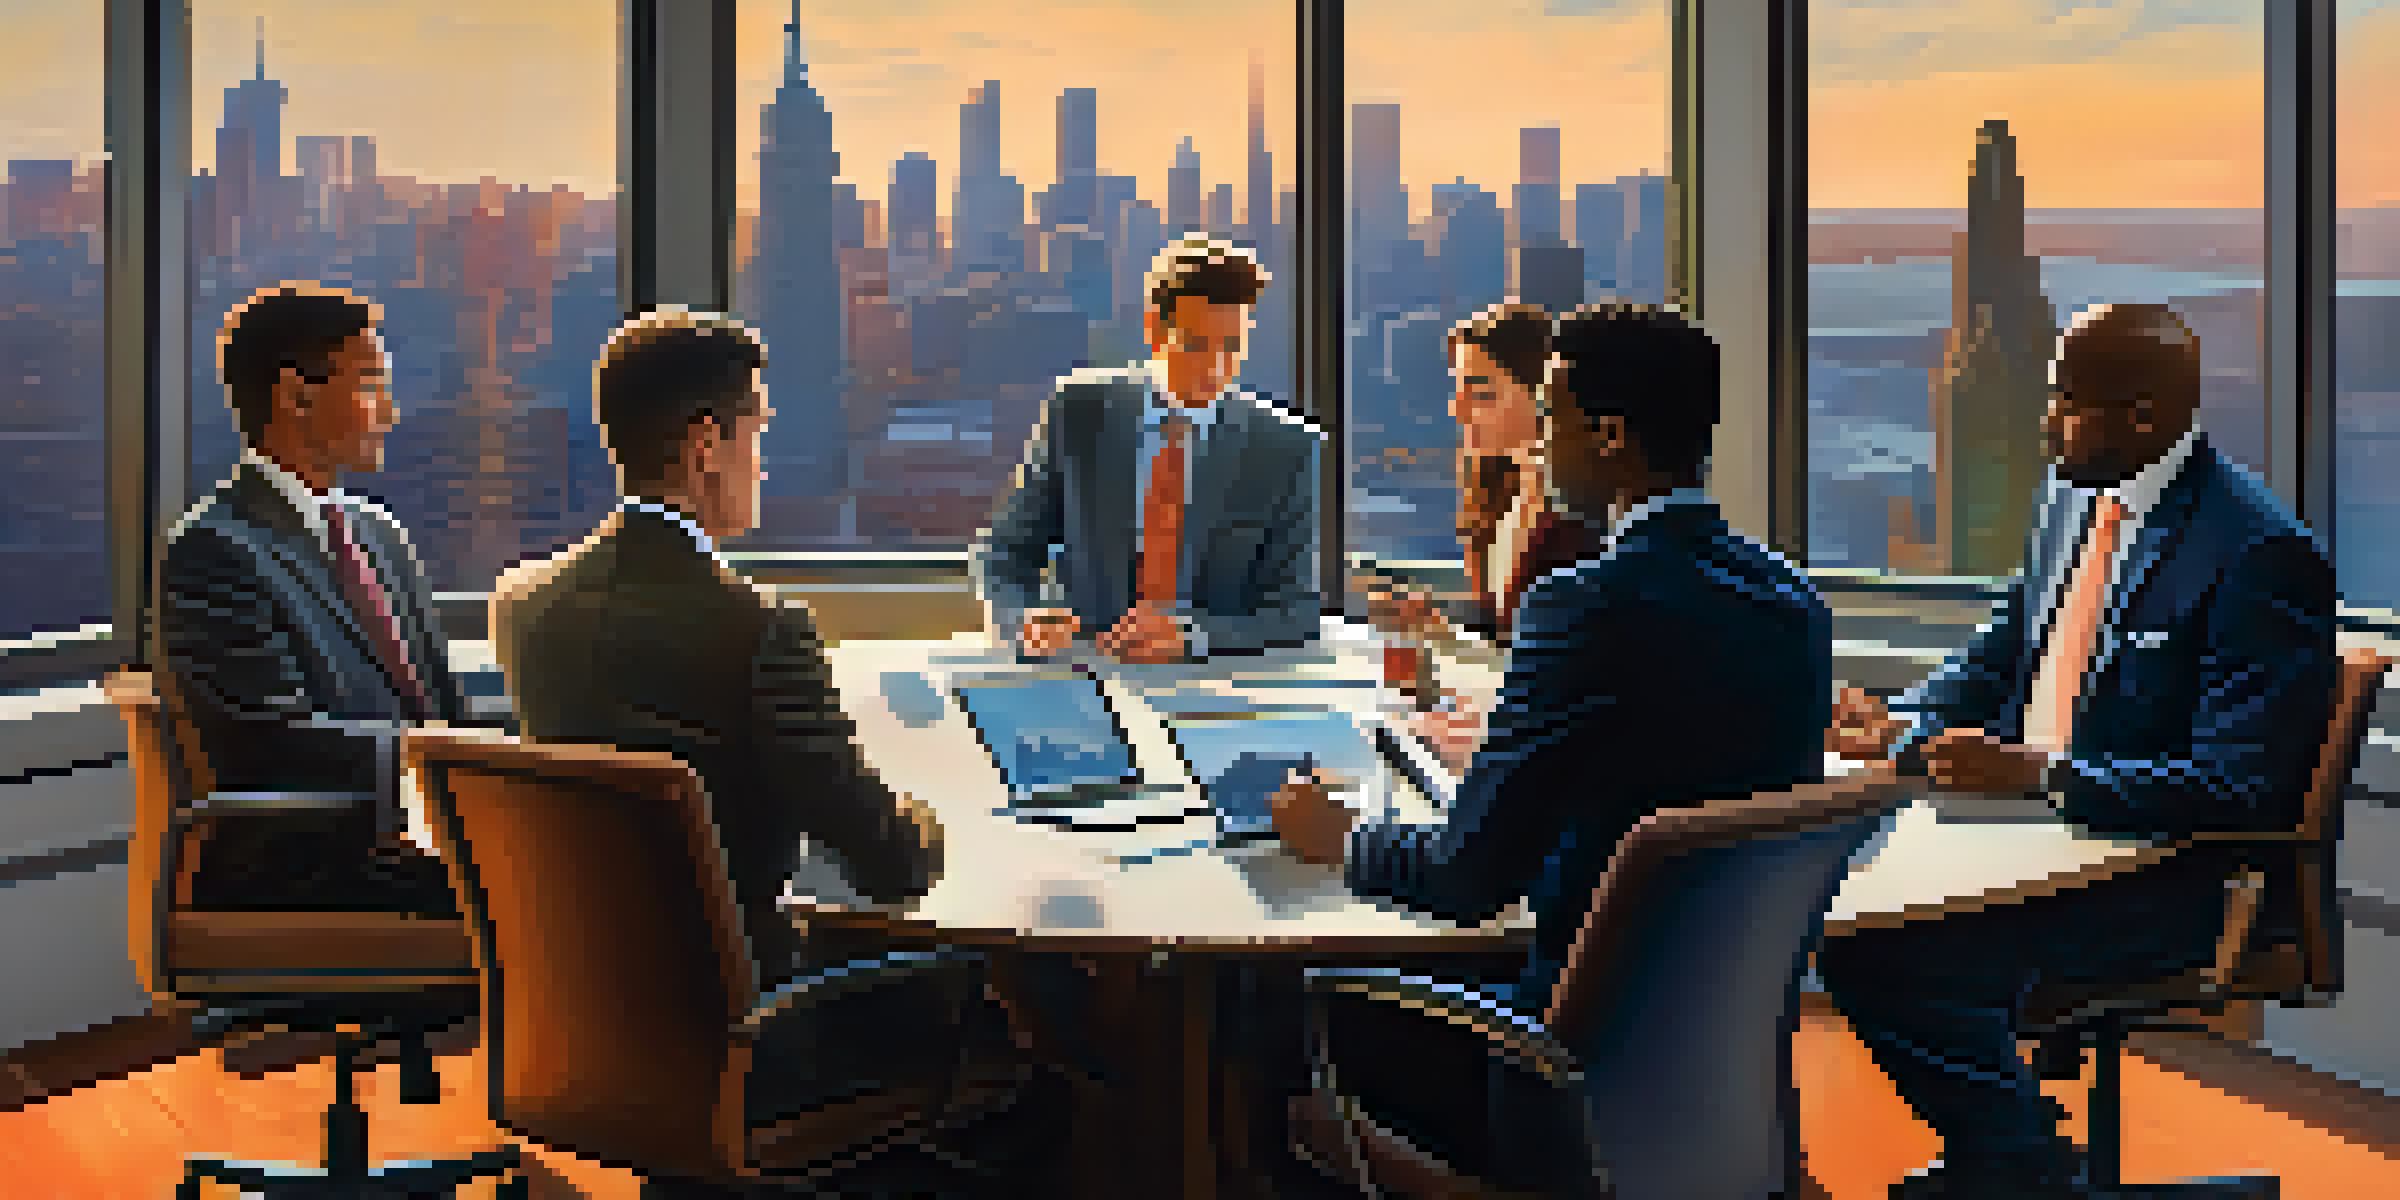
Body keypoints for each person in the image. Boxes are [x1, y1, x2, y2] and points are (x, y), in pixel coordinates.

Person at [1819, 303, 2337, 1199]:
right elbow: (2002, 649)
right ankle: (2015, 1147)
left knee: (1885, 950)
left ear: (2143, 415)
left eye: (2064, 401)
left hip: (2173, 878)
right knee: (1844, 904)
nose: (2045, 419)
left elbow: (2241, 787)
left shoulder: (2258, 556)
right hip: (2049, 843)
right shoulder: (2072, 501)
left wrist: (2049, 776)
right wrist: (1901, 729)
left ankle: (2017, 1159)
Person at [1272, 302, 1834, 1014]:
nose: (1539, 441)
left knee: (1272, 1005)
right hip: (1718, 1026)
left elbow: (1465, 880)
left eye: (1550, 414)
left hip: (1565, 1040)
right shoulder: (1796, 605)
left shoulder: (1584, 605)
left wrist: (1343, 836)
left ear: (1609, 438)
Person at [489, 308, 941, 979]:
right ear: (707, 445)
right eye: (756, 434)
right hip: (751, 1018)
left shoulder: (523, 603)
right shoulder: (762, 631)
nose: (761, 466)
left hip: (588, 1001)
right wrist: (928, 816)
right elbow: (890, 865)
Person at [158, 282, 464, 915]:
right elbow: (275, 744)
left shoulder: (380, 535)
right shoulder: (216, 550)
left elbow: (443, 707)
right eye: (371, 385)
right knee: (572, 894)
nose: (390, 412)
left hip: (420, 836)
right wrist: (447, 766)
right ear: (296, 396)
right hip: (318, 861)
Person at [973, 236, 1323, 663]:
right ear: (1156, 332)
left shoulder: (1286, 447)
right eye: (1195, 345)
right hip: (1089, 668)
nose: (1214, 368)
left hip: (1215, 680)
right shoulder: (1081, 412)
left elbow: (1295, 613)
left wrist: (1192, 637)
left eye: (1231, 347)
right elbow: (1005, 553)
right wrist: (1023, 620)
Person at [1363, 301, 1601, 654]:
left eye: (1482, 393)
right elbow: (1507, 652)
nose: (1457, 410)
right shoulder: (1495, 496)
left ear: (1547, 395)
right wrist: (1444, 640)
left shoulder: (1588, 515)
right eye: (1458, 389)